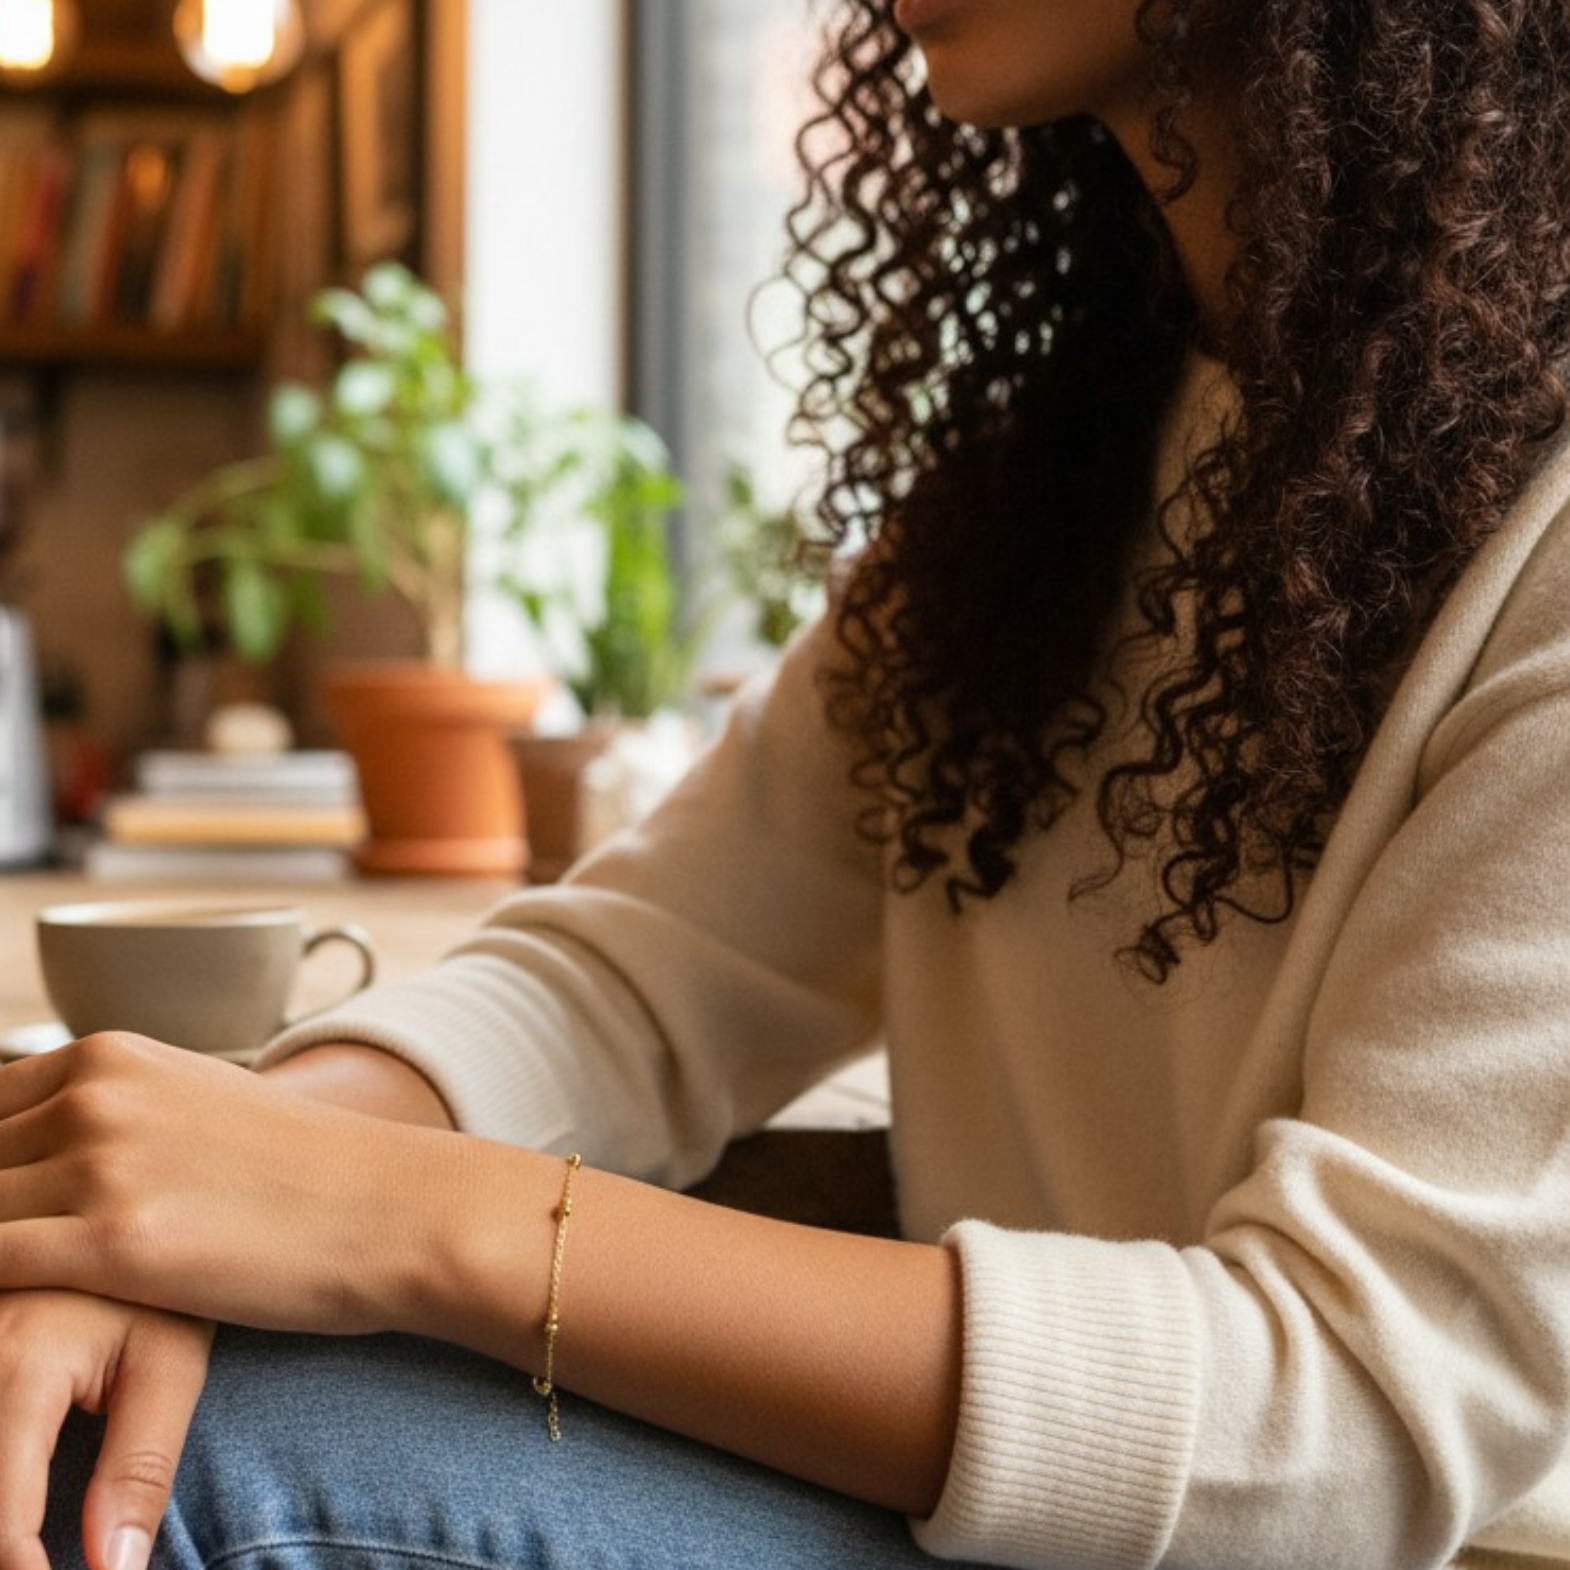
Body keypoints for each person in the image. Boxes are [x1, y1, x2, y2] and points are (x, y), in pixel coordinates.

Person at [8, 0, 1570, 1565]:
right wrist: (175, 1203)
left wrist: (396, 1211)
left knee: (173, 1469)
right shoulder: (1083, 451)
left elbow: (1346, 1409)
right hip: (1010, 1539)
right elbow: (636, 976)